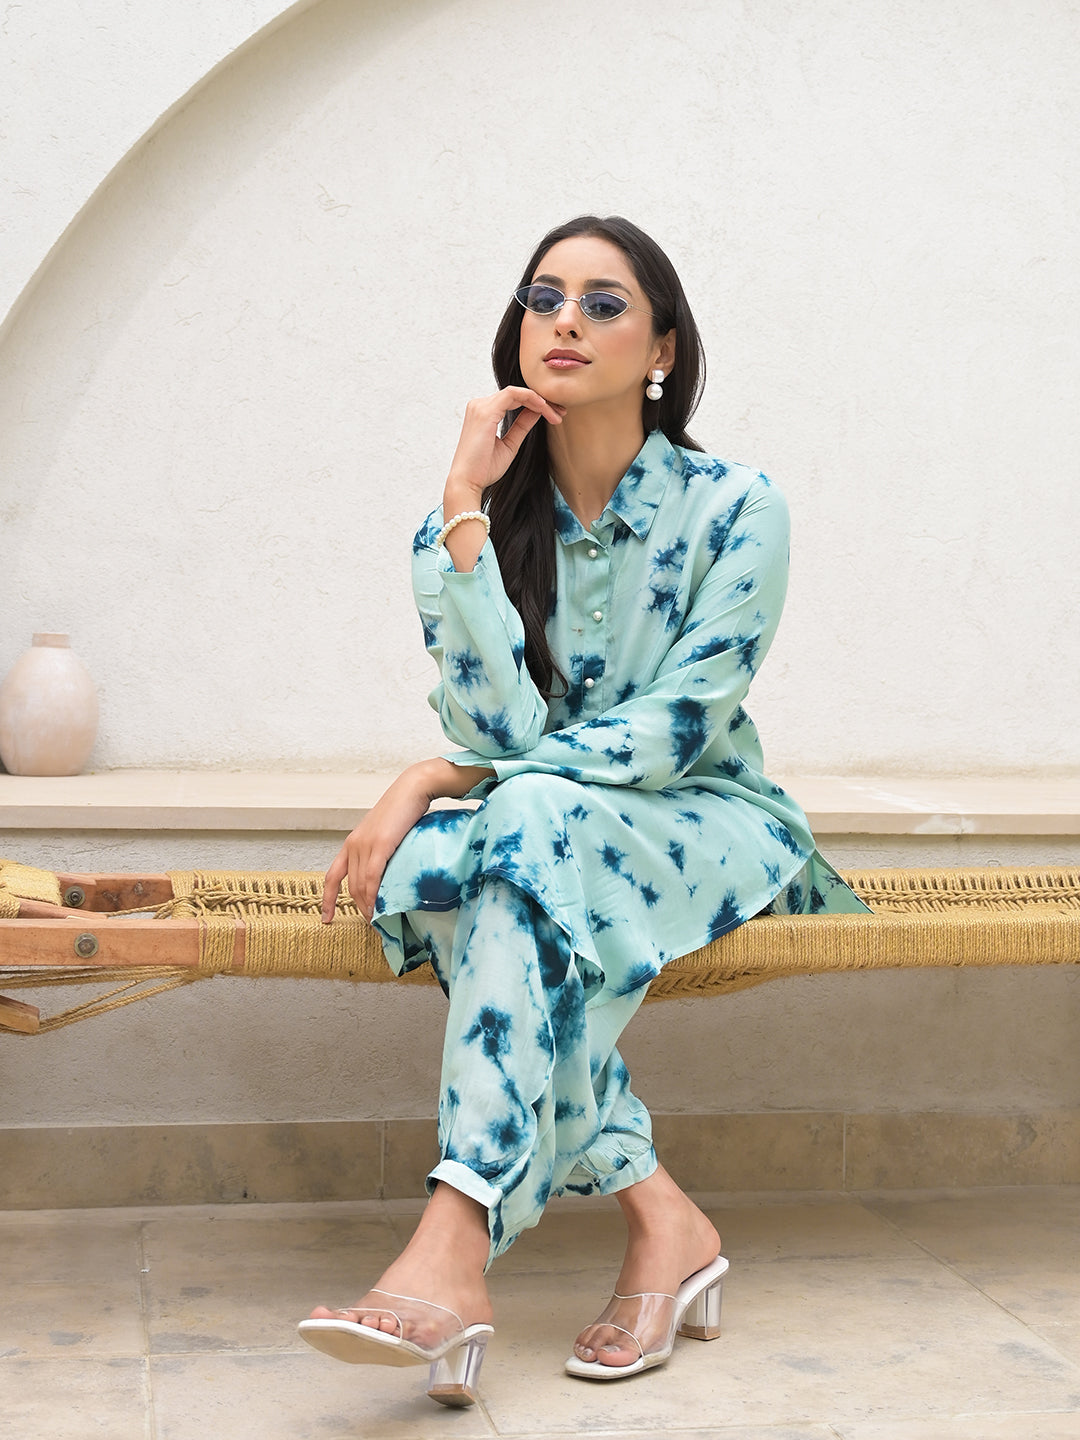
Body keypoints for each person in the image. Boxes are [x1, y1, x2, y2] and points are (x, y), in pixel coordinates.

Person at [298, 215, 870, 1405]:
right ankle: (665, 1222)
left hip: (709, 820)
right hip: (554, 827)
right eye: (542, 296)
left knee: (495, 843)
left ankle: (455, 1243)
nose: (565, 318)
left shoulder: (738, 504)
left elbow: (679, 724)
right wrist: (460, 500)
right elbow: (498, 729)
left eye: (605, 302)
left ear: (663, 344)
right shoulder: (490, 520)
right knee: (459, 869)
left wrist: (435, 779)